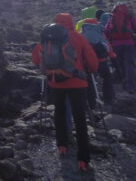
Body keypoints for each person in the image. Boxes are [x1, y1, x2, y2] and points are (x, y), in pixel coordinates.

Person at [32, 13, 99, 172]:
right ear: (71, 23)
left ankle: (62, 146)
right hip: (77, 82)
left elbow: (36, 58)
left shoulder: (48, 36)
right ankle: (83, 159)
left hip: (56, 82)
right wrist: (88, 70)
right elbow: (93, 62)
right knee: (80, 119)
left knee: (59, 113)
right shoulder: (78, 37)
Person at [104, 3, 136, 93]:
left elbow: (106, 31)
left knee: (120, 65)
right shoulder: (129, 17)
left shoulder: (112, 18)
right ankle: (131, 87)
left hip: (115, 45)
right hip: (129, 44)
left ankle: (124, 85)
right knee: (130, 65)